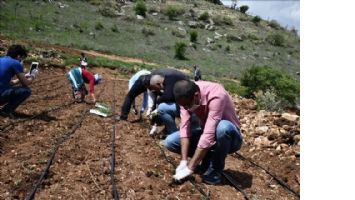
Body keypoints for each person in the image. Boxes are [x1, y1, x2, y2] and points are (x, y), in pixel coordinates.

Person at [165, 80, 243, 185]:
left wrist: (190, 168)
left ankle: (215, 171)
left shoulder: (217, 95)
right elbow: (184, 129)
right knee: (170, 141)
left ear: (196, 95)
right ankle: (206, 156)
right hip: (207, 132)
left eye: (188, 105)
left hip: (231, 138)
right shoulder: (185, 95)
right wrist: (184, 161)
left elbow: (209, 134)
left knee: (222, 128)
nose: (187, 108)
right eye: (184, 106)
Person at [0, 45, 39, 118]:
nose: (21, 60)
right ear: (18, 56)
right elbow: (26, 83)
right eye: (22, 58)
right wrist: (33, 75)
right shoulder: (15, 63)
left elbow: (10, 83)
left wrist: (24, 76)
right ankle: (5, 111)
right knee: (26, 91)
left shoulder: (1, 59)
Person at [149, 68, 188, 135]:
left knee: (162, 107)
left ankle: (173, 133)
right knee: (166, 106)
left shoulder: (169, 80)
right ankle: (167, 129)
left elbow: (168, 96)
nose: (157, 90)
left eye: (156, 88)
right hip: (185, 103)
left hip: (187, 106)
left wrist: (158, 102)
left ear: (158, 84)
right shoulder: (170, 79)